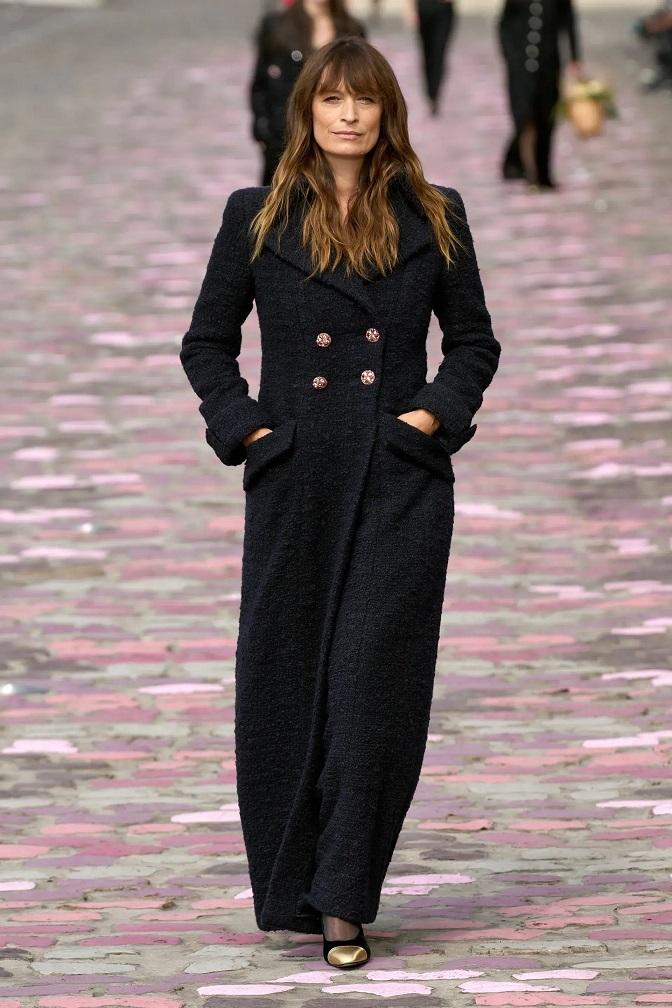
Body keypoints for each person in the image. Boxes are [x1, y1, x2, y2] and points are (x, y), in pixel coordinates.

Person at [180, 35, 500, 966]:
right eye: (332, 99)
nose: (349, 115)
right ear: (308, 111)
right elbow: (206, 342)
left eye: (364, 99)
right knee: (283, 685)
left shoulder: (434, 213)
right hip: (295, 482)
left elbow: (473, 343)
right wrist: (248, 430)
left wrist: (429, 419)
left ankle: (342, 900)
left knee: (371, 693)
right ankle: (295, 883)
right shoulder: (256, 215)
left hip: (400, 483)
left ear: (387, 110)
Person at [250, 0, 366, 185]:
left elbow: (360, 82)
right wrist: (262, 130)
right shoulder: (276, 26)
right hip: (283, 136)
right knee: (280, 194)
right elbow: (260, 83)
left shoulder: (351, 29)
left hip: (334, 134)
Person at [497, 0, 583, 189]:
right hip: (520, 68)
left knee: (546, 120)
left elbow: (568, 21)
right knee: (525, 117)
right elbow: (504, 24)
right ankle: (532, 174)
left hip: (549, 65)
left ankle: (543, 174)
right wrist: (511, 57)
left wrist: (575, 58)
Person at [407, 0, 458, 116]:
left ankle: (435, 95)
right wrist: (411, 10)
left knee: (439, 52)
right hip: (423, 8)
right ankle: (430, 94)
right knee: (427, 54)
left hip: (443, 9)